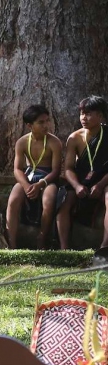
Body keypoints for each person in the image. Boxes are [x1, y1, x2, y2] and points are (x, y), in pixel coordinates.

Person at [6, 104, 63, 249]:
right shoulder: (22, 142)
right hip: (28, 178)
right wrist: (26, 186)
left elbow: (56, 171)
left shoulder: (54, 142)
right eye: (41, 122)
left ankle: (42, 240)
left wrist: (41, 184)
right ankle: (11, 244)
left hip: (47, 179)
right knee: (13, 199)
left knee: (49, 200)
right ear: (29, 125)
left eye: (47, 121)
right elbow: (17, 169)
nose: (46, 125)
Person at [58, 96, 108, 257]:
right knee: (63, 204)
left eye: (88, 114)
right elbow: (68, 169)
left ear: (100, 116)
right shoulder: (74, 138)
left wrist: (100, 185)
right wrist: (77, 186)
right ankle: (64, 248)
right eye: (81, 113)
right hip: (80, 181)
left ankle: (104, 247)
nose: (83, 118)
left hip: (104, 180)